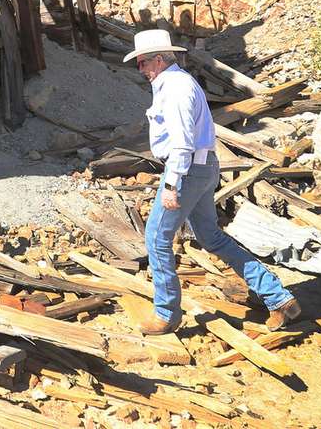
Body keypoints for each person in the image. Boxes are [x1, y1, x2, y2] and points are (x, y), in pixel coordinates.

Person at [123, 28, 301, 335]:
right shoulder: (177, 83)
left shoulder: (175, 88)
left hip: (188, 169)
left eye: (143, 63)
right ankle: (278, 298)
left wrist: (171, 185)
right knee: (211, 237)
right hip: (202, 168)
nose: (141, 70)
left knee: (156, 238)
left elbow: (181, 142)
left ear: (160, 59)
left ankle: (166, 314)